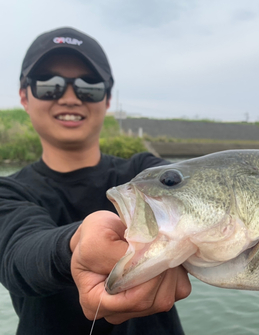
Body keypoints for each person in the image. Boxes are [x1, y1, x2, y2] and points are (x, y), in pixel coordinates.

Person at [0, 27, 191, 334]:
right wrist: (74, 245)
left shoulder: (151, 175)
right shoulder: (8, 191)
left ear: (107, 99)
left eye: (89, 86)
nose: (70, 97)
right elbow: (17, 255)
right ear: (24, 96)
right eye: (50, 85)